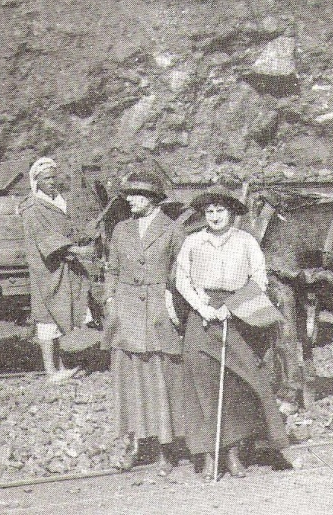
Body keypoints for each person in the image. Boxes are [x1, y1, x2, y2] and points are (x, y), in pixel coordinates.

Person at [176, 190, 288, 480]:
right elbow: (182, 281)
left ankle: (234, 455)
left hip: (237, 317)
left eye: (220, 211)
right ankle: (210, 458)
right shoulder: (193, 241)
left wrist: (233, 307)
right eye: (210, 212)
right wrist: (202, 307)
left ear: (231, 213)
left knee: (236, 388)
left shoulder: (245, 241)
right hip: (201, 320)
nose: (214, 217)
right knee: (203, 388)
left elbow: (259, 279)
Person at [103, 173, 186, 473]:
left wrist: (170, 298)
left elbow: (181, 270)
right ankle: (132, 444)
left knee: (160, 380)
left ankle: (167, 449)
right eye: (128, 195)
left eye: (136, 195)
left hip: (157, 312)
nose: (129, 199)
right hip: (126, 314)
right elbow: (111, 269)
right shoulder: (121, 229)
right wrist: (110, 300)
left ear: (152, 198)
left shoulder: (173, 230)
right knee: (129, 382)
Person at [20, 157, 94, 383]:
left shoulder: (56, 202)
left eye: (54, 177)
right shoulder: (34, 208)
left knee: (57, 316)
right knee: (47, 316)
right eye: (46, 178)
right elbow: (46, 239)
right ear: (36, 182)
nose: (52, 182)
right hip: (48, 269)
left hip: (61, 266)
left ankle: (60, 366)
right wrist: (79, 251)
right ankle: (51, 372)